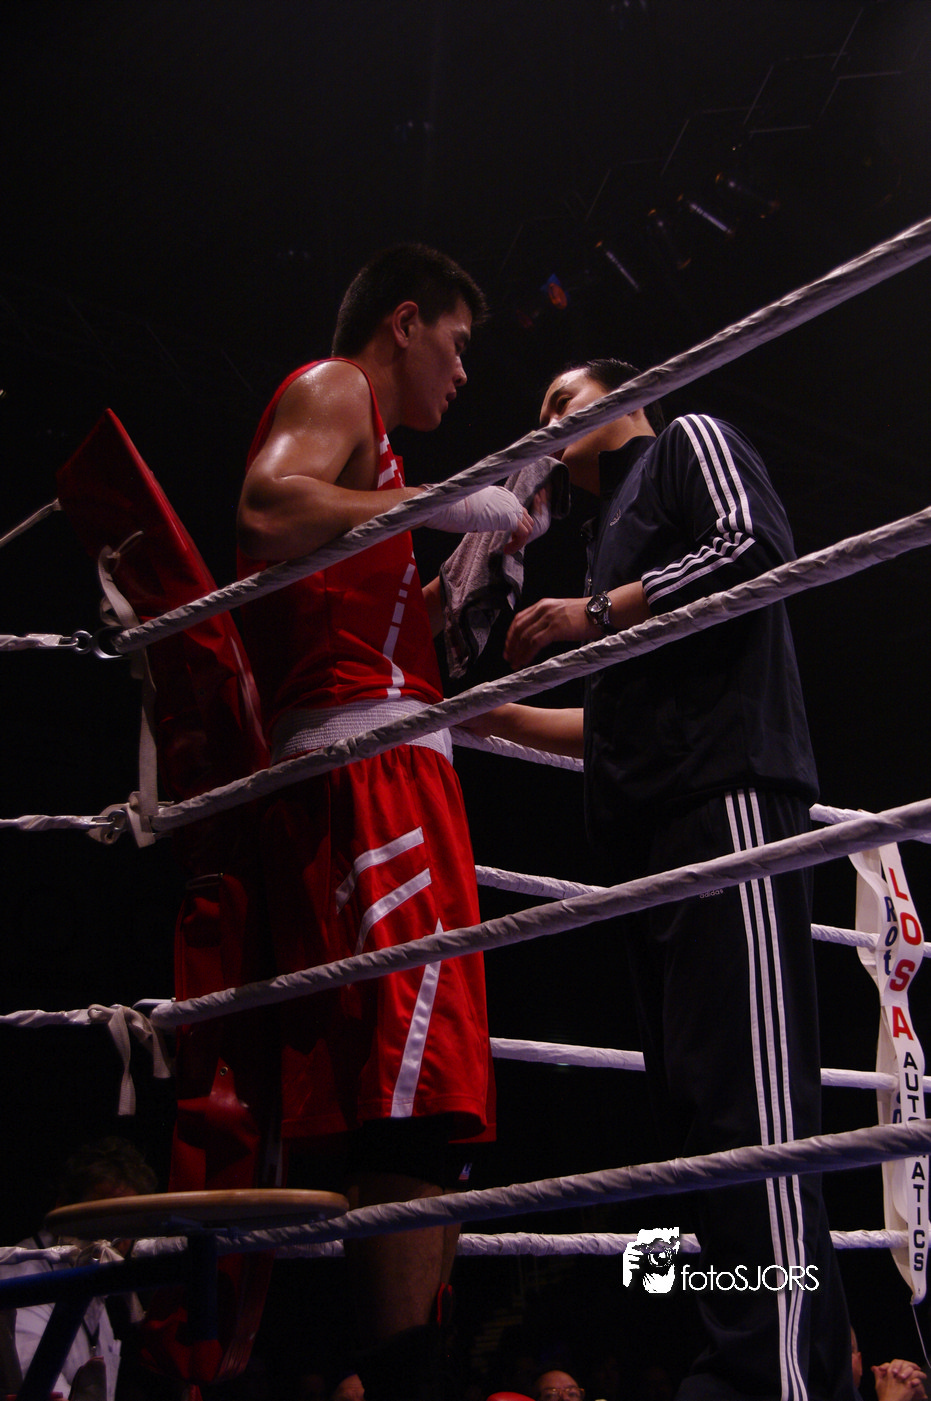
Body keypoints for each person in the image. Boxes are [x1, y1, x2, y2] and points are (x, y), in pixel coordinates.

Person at [472, 358, 856, 1398]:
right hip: (651, 833)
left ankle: (767, 1376)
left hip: (727, 801)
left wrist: (591, 616)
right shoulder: (606, 540)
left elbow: (755, 547)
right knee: (695, 1116)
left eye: (562, 401)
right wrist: (493, 718)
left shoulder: (689, 439)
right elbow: (616, 723)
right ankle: (779, 1359)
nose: (548, 423)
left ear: (630, 394)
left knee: (748, 1109)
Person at [236, 244, 531, 1401]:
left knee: (432, 1095)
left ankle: (414, 1370)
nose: (461, 373)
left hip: (391, 770)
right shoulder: (337, 387)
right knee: (408, 1095)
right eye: (454, 344)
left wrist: (459, 568)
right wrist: (436, 502)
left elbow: (362, 612)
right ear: (404, 322)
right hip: (367, 778)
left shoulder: (381, 458)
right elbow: (267, 507)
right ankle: (403, 1382)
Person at [0, 1137, 157, 1401]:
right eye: (105, 1215)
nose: (118, 1235)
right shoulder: (22, 1277)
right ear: (63, 1208)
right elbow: (38, 1388)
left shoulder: (93, 1279)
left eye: (129, 1220)